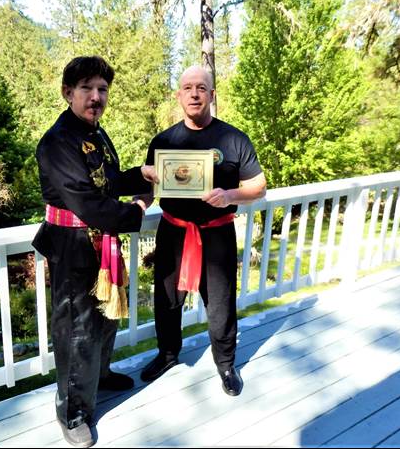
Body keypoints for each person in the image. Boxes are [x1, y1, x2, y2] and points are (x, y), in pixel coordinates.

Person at [32, 56, 154, 448]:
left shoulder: (95, 133)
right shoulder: (57, 142)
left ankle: (99, 378)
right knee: (77, 329)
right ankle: (72, 412)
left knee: (105, 317)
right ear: (68, 93)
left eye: (102, 89)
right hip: (71, 247)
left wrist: (143, 175)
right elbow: (87, 203)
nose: (96, 96)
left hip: (100, 241)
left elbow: (109, 180)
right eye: (87, 88)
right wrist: (136, 209)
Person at [140, 65, 267, 397]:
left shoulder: (234, 139)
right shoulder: (163, 141)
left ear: (212, 94)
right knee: (166, 300)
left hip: (217, 234)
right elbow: (147, 189)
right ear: (179, 95)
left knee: (221, 304)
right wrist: (140, 200)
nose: (194, 93)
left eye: (201, 87)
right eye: (187, 88)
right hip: (173, 233)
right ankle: (167, 354)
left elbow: (258, 187)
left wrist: (229, 196)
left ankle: (225, 364)